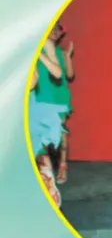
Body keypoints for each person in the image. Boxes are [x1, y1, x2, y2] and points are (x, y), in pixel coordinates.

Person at [35, 23, 75, 184]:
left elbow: (70, 75)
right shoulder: (36, 50)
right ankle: (46, 171)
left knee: (61, 132)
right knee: (40, 135)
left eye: (56, 30)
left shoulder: (60, 52)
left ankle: (63, 166)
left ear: (60, 34)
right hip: (40, 95)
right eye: (50, 29)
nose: (53, 32)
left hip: (59, 97)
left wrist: (68, 57)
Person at [30, 57, 69, 207]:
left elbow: (57, 73)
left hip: (36, 102)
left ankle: (47, 179)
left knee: (37, 145)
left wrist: (36, 54)